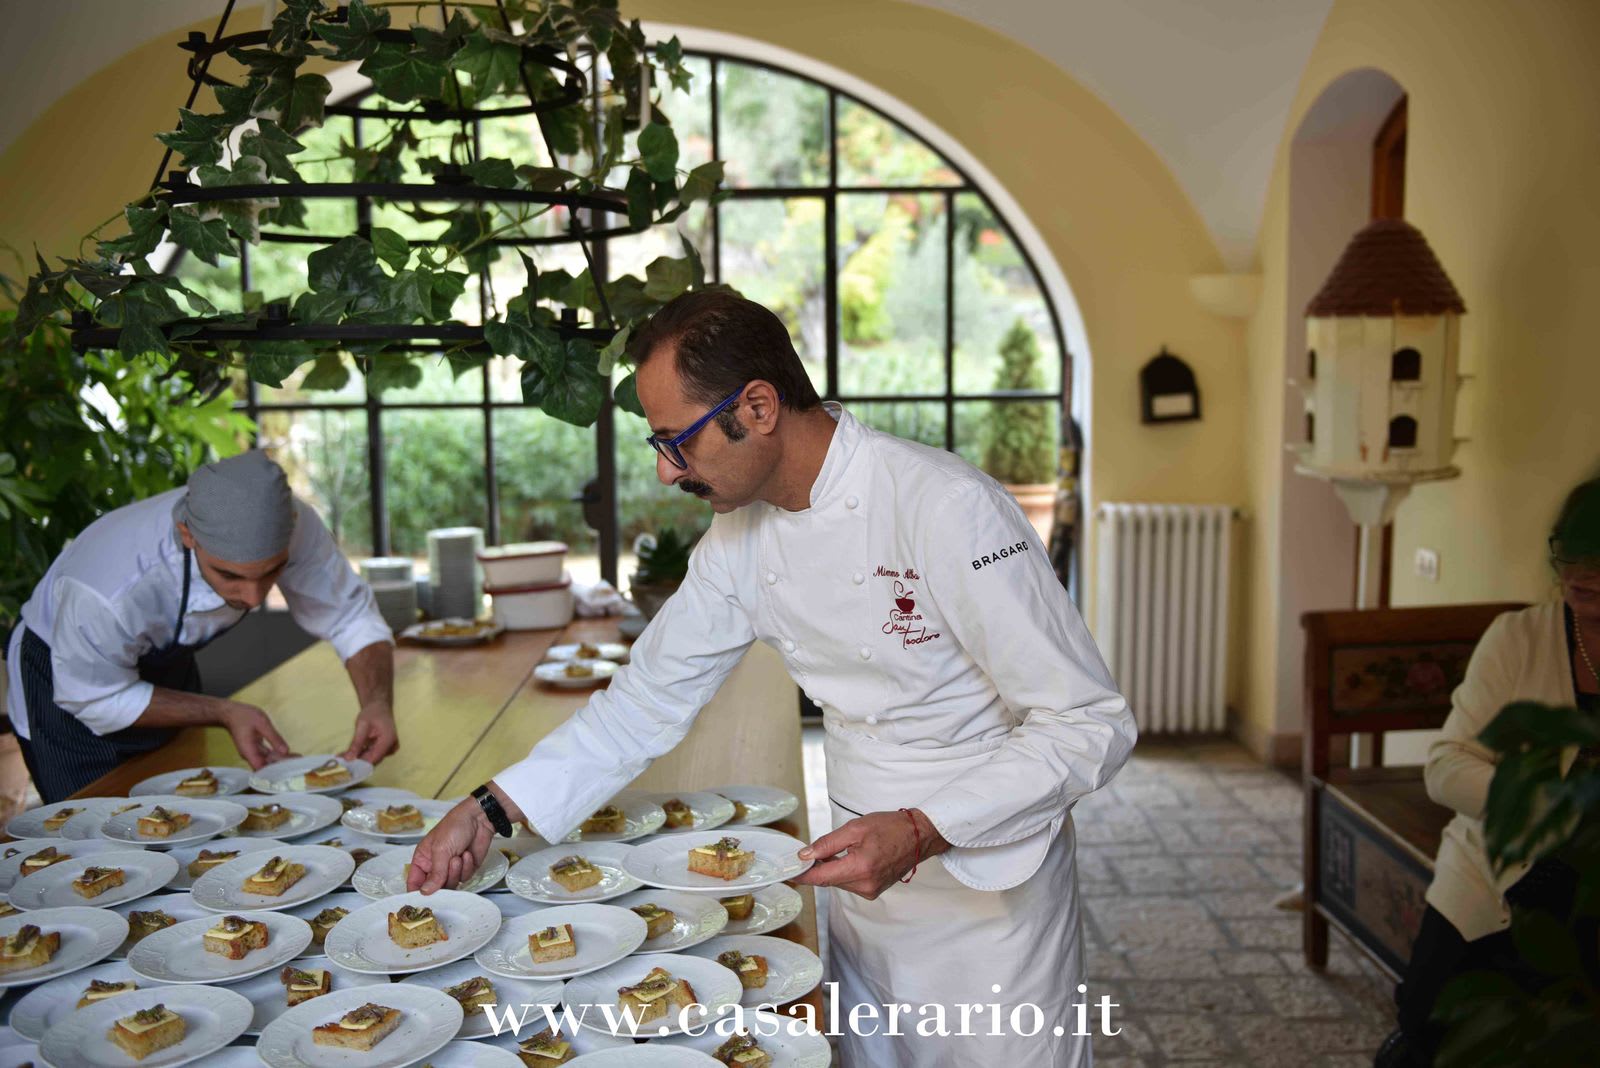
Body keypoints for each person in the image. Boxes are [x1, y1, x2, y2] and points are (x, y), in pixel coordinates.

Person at [407, 290, 1137, 1067]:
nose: (663, 472)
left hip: (990, 891)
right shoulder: (738, 539)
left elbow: (1090, 722)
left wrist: (923, 828)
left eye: (675, 441)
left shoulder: (947, 505)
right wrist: (488, 809)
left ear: (757, 407)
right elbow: (642, 704)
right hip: (863, 882)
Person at [3, 450, 399, 801]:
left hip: (159, 668)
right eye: (231, 576)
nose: (254, 598)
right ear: (187, 535)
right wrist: (223, 711)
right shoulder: (112, 587)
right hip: (65, 683)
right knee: (96, 843)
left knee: (186, 818)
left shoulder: (295, 525)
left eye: (271, 572)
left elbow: (350, 616)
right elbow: (93, 696)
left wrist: (377, 702)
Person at [1376, 476, 1600, 1066]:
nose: (1582, 573)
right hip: (1490, 879)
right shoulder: (1519, 639)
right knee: (1425, 1035)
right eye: (1570, 555)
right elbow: (1445, 768)